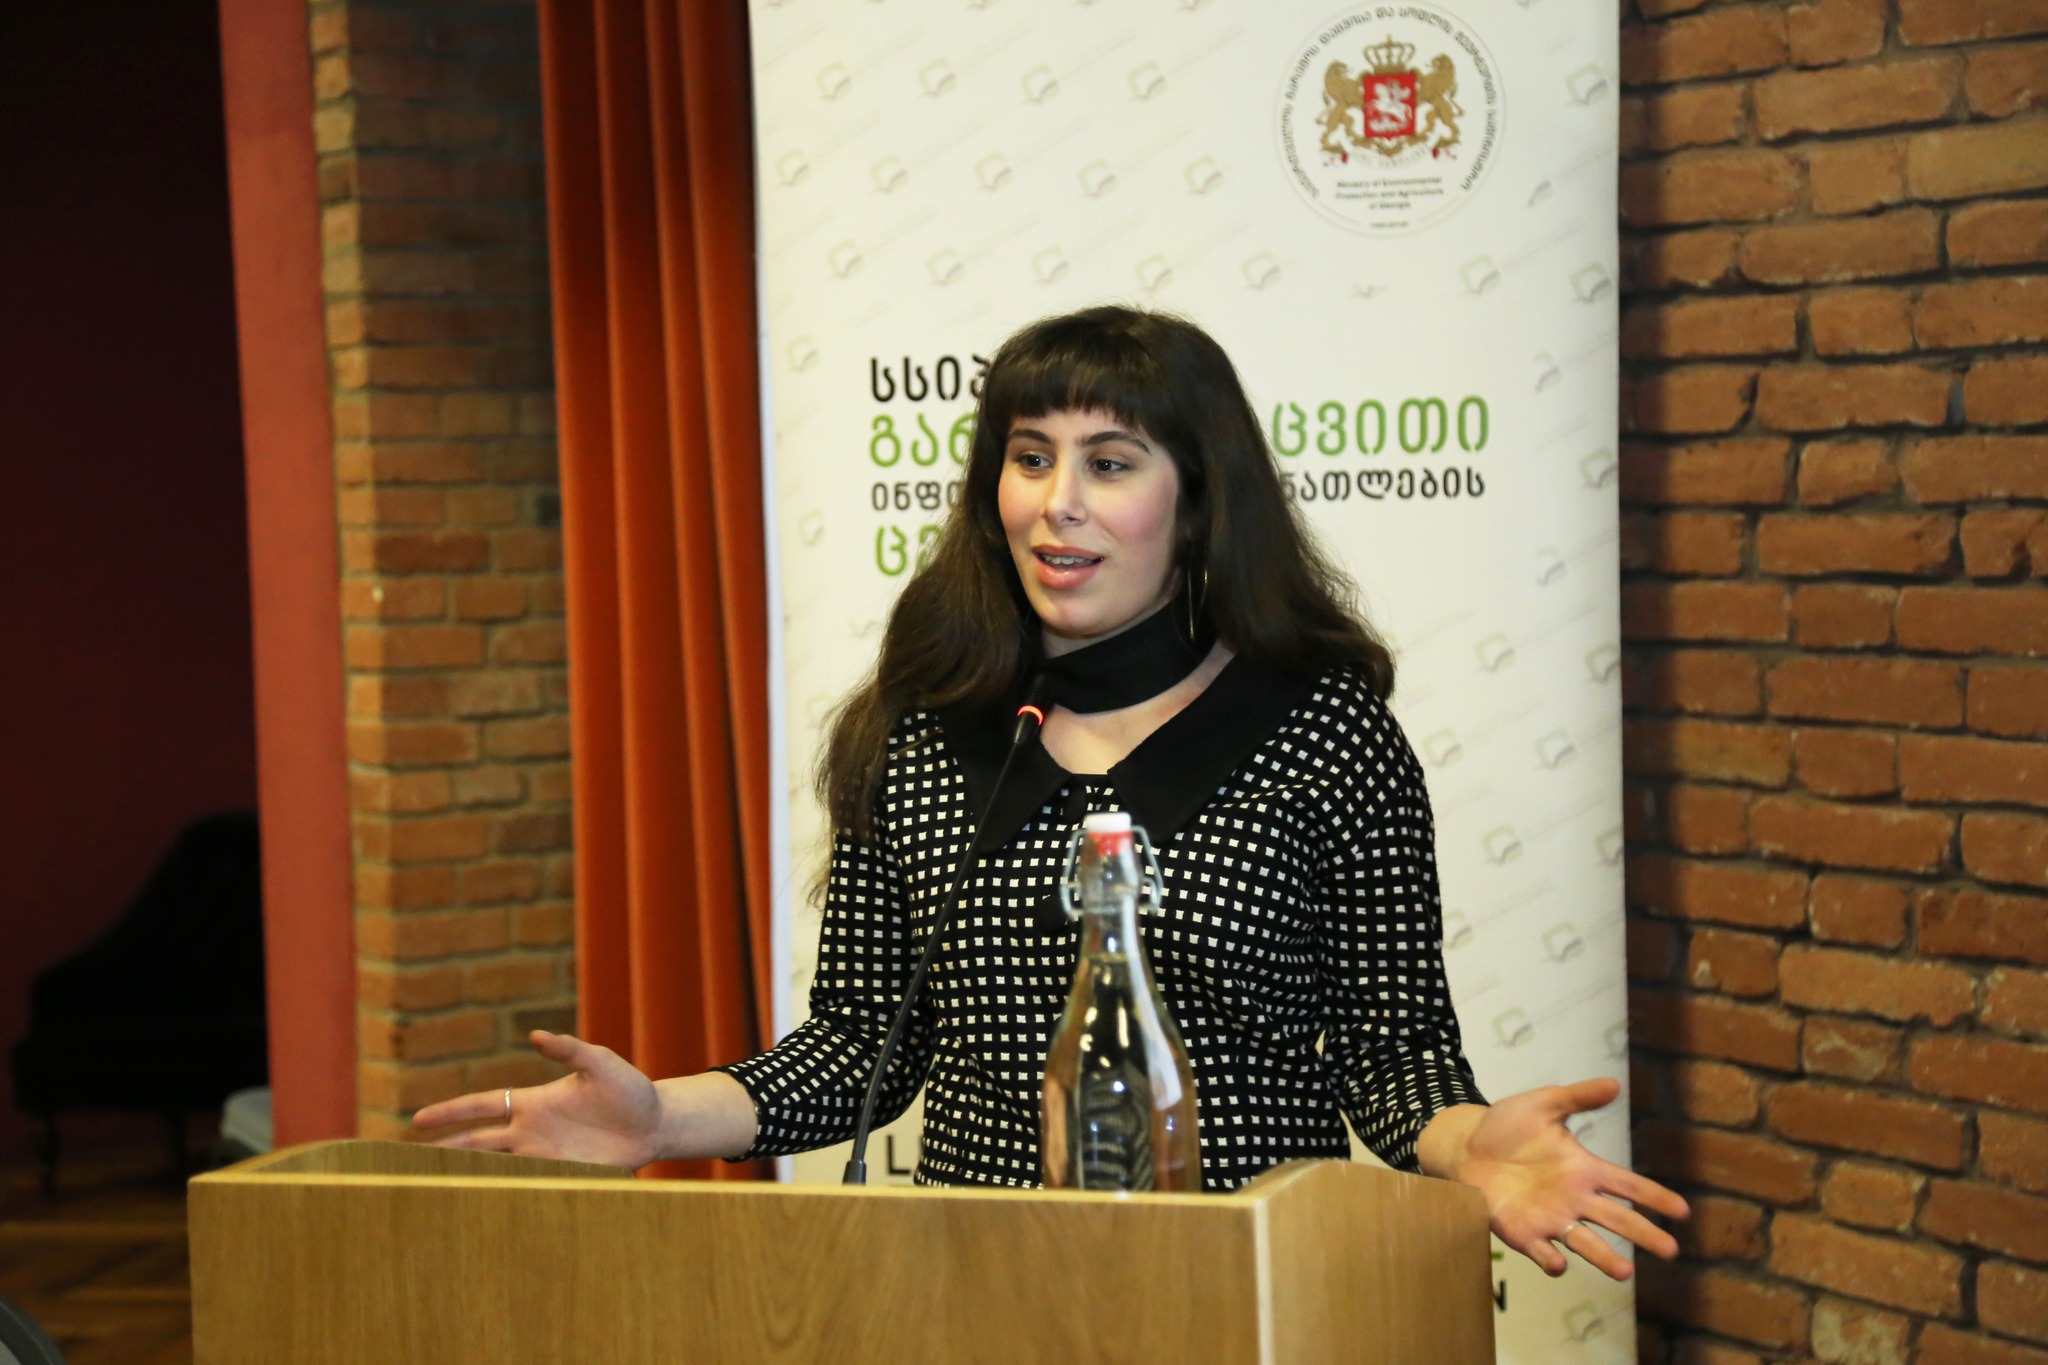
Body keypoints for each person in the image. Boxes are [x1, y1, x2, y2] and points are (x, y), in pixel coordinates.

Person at [417, 305, 1687, 1280]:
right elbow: (858, 1048)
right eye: (1029, 459)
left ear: (1194, 504)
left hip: (1247, 1283)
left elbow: (1391, 1053)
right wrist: (658, 1121)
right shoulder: (925, 738)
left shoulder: (1320, 735)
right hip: (975, 1289)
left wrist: (1470, 1144)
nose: (1056, 504)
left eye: (1109, 462)